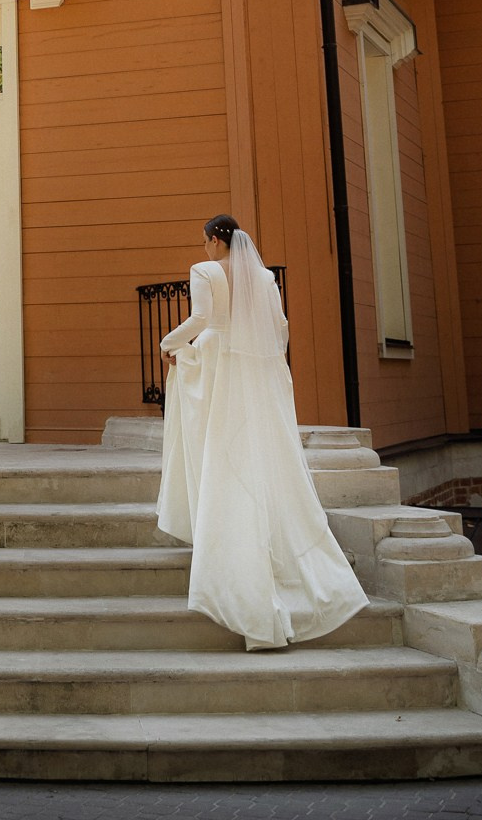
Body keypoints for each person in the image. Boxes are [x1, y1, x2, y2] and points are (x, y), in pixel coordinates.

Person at [156, 213, 367, 650]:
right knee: (252, 453)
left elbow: (200, 319)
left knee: (219, 450)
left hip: (218, 364)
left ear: (217, 239)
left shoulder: (207, 271)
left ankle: (232, 557)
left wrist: (169, 344)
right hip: (253, 373)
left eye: (205, 241)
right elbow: (281, 332)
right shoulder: (265, 279)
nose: (204, 250)